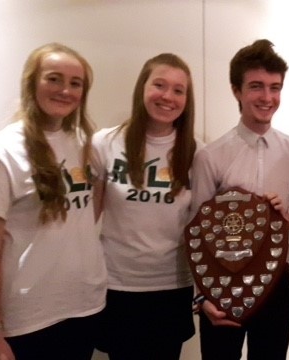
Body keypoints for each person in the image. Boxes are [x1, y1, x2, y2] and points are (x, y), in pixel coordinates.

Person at [0, 43, 106, 360]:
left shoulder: (86, 143)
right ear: (33, 83)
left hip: (85, 305)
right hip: (28, 319)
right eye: (54, 79)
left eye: (75, 83)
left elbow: (89, 211)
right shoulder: (0, 151)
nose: (65, 90)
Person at [191, 38, 289, 360]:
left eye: (275, 87)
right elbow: (196, 231)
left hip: (276, 281)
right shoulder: (210, 156)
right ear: (236, 90)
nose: (267, 97)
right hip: (221, 281)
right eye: (257, 86)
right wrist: (202, 298)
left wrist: (287, 217)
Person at [92, 53, 199, 359]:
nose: (168, 96)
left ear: (187, 99)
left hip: (172, 286)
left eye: (179, 90)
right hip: (117, 286)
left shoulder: (196, 153)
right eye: (160, 85)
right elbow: (87, 217)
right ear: (142, 87)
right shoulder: (105, 143)